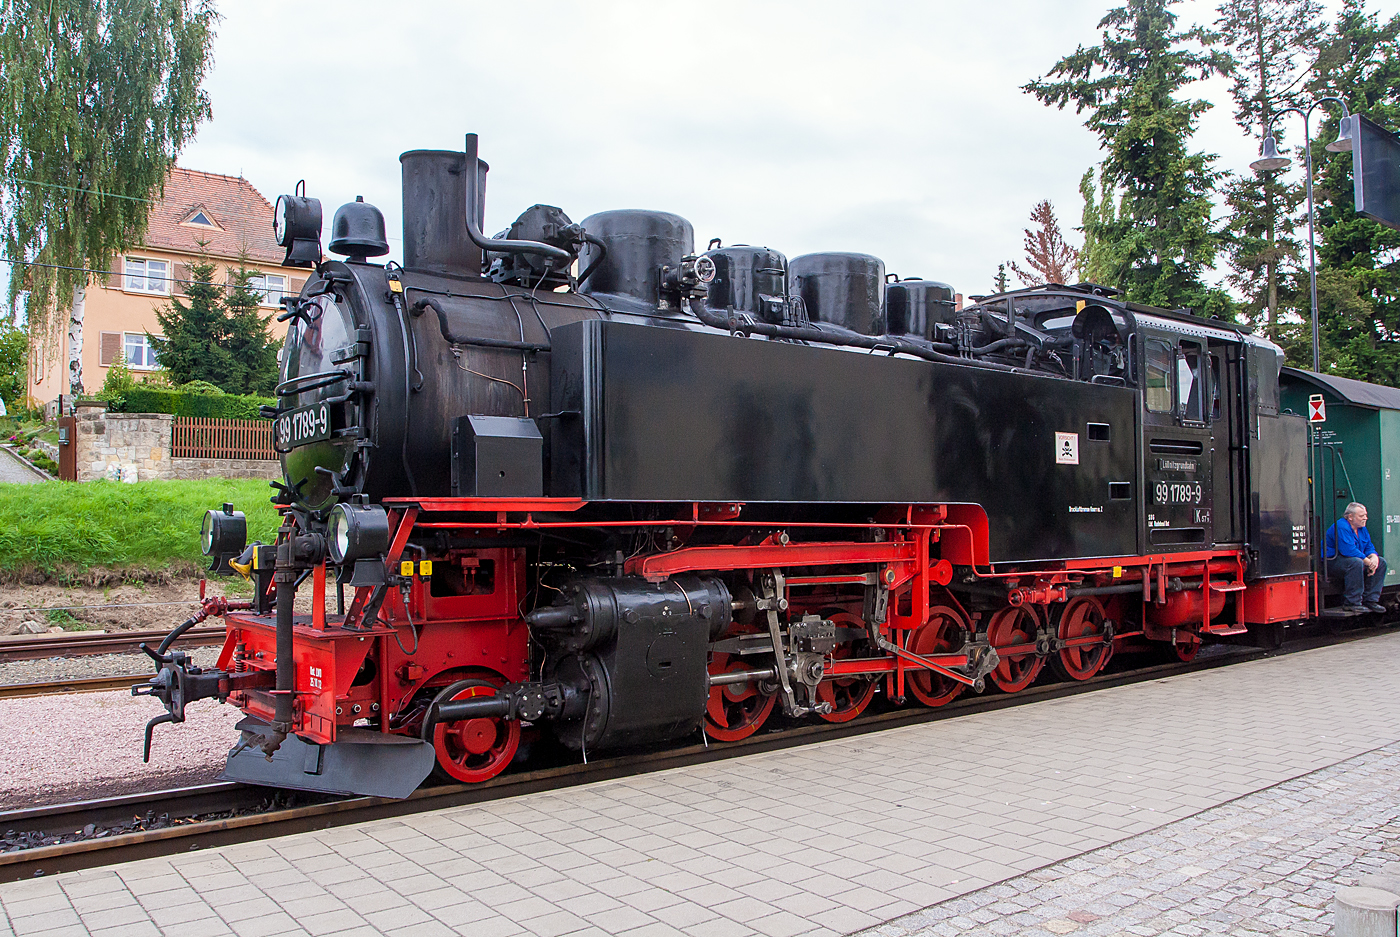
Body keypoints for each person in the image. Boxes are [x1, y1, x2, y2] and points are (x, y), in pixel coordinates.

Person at [1324, 502, 1388, 613]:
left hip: (1352, 560)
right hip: (1332, 561)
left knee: (1381, 562)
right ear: (1350, 517)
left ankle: (1370, 600)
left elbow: (1369, 547)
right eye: (1361, 516)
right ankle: (1352, 603)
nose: (1365, 518)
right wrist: (1368, 562)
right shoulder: (1341, 527)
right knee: (1356, 562)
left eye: (1365, 515)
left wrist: (1374, 557)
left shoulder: (1362, 529)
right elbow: (1348, 550)